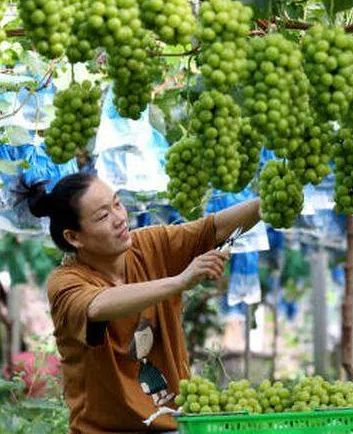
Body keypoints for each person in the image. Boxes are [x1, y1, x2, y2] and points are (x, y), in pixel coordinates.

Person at [20, 171, 261, 433]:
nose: (120, 218)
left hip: (174, 427)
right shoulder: (66, 282)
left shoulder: (150, 245)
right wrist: (179, 281)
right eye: (103, 216)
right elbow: (98, 306)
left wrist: (267, 202)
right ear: (73, 237)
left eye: (117, 203)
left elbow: (214, 228)